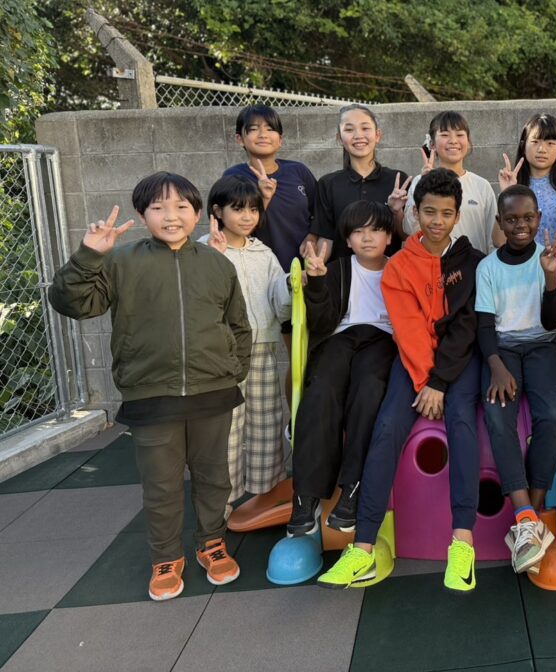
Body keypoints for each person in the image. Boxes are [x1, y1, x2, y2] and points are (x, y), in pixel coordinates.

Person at [48, 172, 250, 601]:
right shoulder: (120, 261)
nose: (171, 216)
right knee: (161, 483)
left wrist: (233, 369)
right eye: (158, 207)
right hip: (150, 394)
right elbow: (72, 303)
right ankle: (166, 556)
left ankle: (212, 543)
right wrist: (88, 255)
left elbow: (238, 325)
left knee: (215, 477)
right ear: (142, 215)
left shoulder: (217, 263)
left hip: (212, 391)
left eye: (181, 207)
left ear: (198, 213)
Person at [317, 169, 485, 592]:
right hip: (414, 362)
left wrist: (440, 383)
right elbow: (409, 331)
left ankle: (462, 541)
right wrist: (426, 380)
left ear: (457, 216)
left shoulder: (473, 262)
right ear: (414, 213)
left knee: (462, 422)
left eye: (446, 213)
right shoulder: (399, 267)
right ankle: (363, 546)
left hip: (459, 363)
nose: (437, 221)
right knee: (387, 427)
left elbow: (464, 328)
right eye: (429, 211)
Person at [286, 201, 399, 536]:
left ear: (389, 237)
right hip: (340, 337)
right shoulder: (335, 269)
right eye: (358, 232)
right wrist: (317, 284)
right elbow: (321, 323)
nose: (367, 238)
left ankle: (352, 489)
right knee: (321, 390)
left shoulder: (399, 268)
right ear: (347, 240)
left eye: (376, 230)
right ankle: (305, 496)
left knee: (369, 392)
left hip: (382, 340)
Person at [477, 185, 556, 574]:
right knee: (498, 414)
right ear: (500, 222)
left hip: (543, 344)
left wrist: (550, 278)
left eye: (528, 218)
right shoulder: (488, 267)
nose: (521, 225)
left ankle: (531, 515)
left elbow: (552, 322)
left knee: (553, 414)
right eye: (512, 219)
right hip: (503, 349)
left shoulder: (552, 259)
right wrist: (496, 366)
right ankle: (524, 514)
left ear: (539, 219)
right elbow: (485, 325)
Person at [201, 176, 291, 510]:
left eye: (253, 209)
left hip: (262, 345)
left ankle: (266, 492)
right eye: (238, 209)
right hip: (222, 352)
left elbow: (279, 300)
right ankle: (223, 500)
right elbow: (199, 299)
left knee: (266, 419)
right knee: (228, 425)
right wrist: (212, 258)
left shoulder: (263, 252)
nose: (247, 216)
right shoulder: (203, 249)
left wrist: (294, 283)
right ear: (217, 211)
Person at [309, 104, 409, 261]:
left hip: (388, 272)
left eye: (365, 128)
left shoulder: (398, 180)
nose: (358, 135)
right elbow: (326, 237)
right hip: (342, 273)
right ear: (339, 138)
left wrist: (397, 211)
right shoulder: (328, 184)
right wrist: (317, 263)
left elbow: (406, 236)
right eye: (349, 129)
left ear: (377, 135)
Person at [224, 104, 317, 273]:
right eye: (253, 129)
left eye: (270, 129)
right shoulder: (234, 177)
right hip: (257, 272)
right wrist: (262, 198)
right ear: (240, 139)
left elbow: (319, 213)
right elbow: (233, 229)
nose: (263, 135)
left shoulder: (298, 171)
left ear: (280, 139)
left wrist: (313, 236)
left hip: (302, 270)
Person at [403, 110, 501, 252]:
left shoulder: (482, 186)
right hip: (433, 264)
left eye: (460, 135)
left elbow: (492, 240)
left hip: (474, 264)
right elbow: (410, 229)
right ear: (432, 144)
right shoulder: (420, 181)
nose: (453, 141)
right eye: (445, 135)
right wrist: (425, 185)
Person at [499, 113, 556, 252]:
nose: (542, 149)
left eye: (550, 143)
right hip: (521, 265)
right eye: (535, 142)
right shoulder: (511, 188)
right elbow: (498, 241)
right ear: (523, 146)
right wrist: (507, 193)